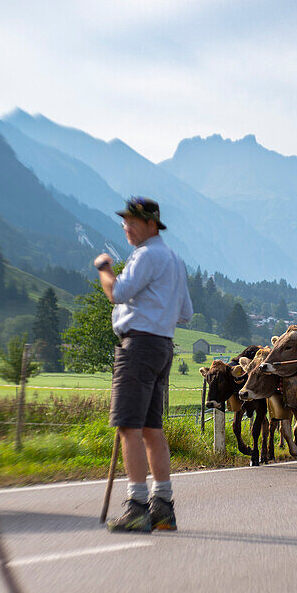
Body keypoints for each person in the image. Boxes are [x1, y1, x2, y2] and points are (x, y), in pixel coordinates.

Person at [94, 197, 193, 532]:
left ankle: (136, 506)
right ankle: (162, 506)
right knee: (152, 429)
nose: (126, 226)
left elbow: (118, 293)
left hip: (138, 345)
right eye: (124, 221)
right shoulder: (175, 260)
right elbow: (186, 313)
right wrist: (159, 311)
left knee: (128, 427)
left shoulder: (146, 254)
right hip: (163, 346)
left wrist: (105, 270)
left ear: (152, 225)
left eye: (133, 221)